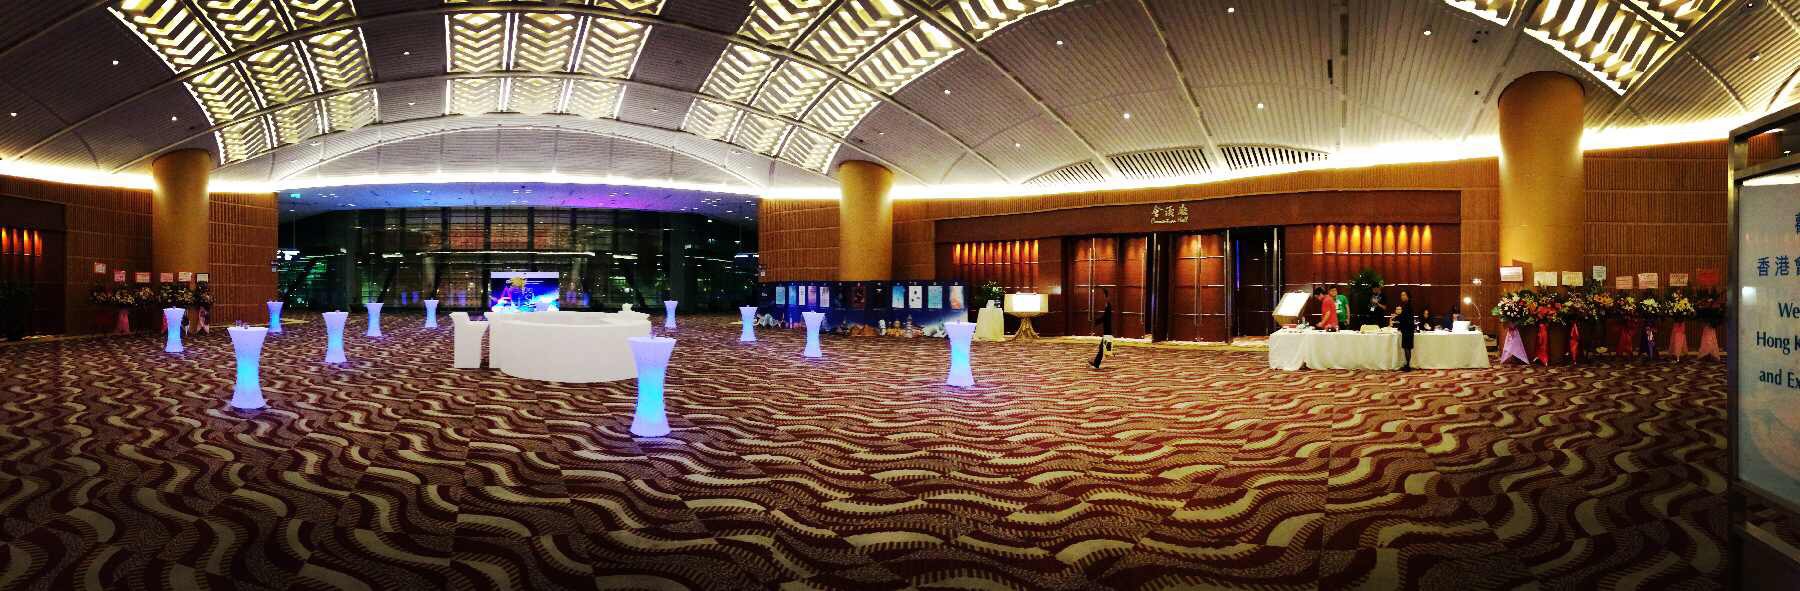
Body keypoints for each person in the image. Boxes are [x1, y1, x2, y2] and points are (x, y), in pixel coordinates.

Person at [1392, 290, 1417, 371]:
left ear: (1407, 296)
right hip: (1408, 329)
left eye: (1403, 295)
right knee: (1407, 347)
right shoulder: (1407, 305)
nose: (1402, 296)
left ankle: (1408, 366)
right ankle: (1407, 365)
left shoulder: (1407, 306)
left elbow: (1404, 318)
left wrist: (1396, 317)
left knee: (1407, 347)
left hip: (1407, 329)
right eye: (1401, 295)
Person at [1090, 289, 1114, 369]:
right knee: (1103, 347)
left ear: (1106, 296)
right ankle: (1096, 363)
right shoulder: (1107, 305)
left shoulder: (1108, 305)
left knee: (1102, 347)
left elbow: (1105, 317)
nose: (1103, 297)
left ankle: (1096, 363)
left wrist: (1097, 321)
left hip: (1107, 329)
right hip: (1107, 329)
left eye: (1104, 295)